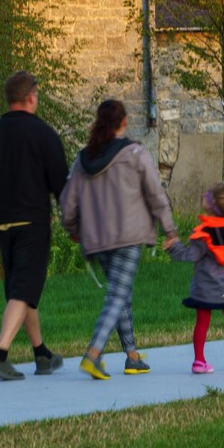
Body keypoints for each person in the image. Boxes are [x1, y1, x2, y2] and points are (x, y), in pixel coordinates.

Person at [0, 71, 69, 381]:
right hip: (32, 223)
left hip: (1, 226)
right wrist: (75, 223)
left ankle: (42, 355)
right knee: (23, 290)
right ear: (31, 96)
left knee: (23, 289)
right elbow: (61, 186)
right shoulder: (44, 134)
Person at [60, 100, 177, 380]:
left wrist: (73, 228)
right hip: (128, 236)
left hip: (97, 239)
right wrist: (170, 229)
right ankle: (93, 353)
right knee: (117, 295)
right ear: (124, 121)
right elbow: (155, 194)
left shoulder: (83, 159)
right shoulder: (135, 153)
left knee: (120, 293)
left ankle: (132, 356)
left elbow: (67, 201)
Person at [163, 182, 224, 374]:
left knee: (202, 323)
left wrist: (173, 246)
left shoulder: (204, 233)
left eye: (207, 195)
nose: (204, 196)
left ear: (212, 204)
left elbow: (192, 255)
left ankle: (199, 361)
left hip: (204, 289)